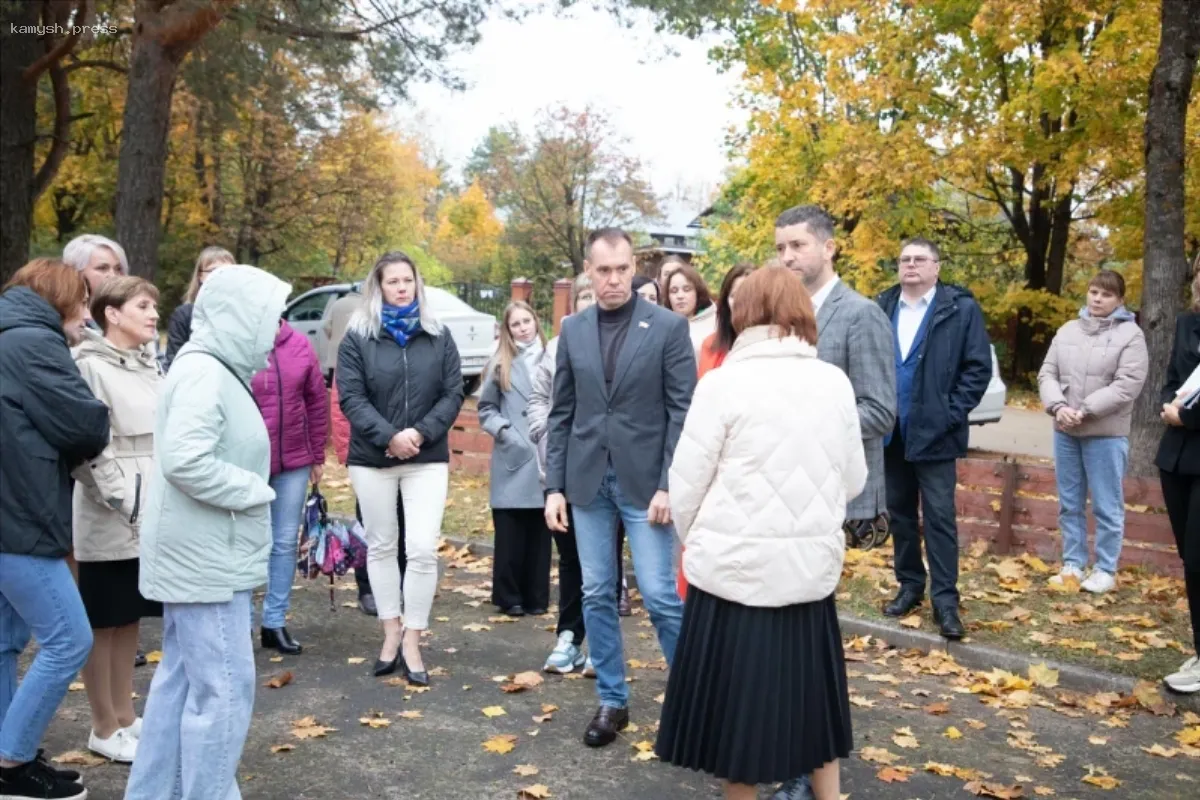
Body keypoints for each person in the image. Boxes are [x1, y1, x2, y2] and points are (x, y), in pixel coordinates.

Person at [656, 266, 864, 800]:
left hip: (734, 576)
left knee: (737, 726)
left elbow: (686, 487)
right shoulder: (834, 383)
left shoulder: (723, 384)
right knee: (813, 711)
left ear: (741, 314)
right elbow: (855, 480)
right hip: (808, 579)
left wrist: (700, 537)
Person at [123, 264, 288, 800]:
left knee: (181, 685)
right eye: (269, 319)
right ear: (243, 318)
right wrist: (257, 491)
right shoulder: (204, 372)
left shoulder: (211, 367)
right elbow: (187, 461)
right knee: (222, 693)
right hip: (205, 563)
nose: (276, 331)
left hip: (205, 556)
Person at [545, 227, 696, 747]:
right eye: (603, 270)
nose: (613, 279)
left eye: (622, 269)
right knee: (595, 592)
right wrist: (554, 487)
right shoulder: (574, 329)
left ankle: (690, 701)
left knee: (659, 595)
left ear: (634, 269)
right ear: (589, 271)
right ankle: (613, 701)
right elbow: (561, 412)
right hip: (588, 483)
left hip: (646, 486)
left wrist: (667, 486)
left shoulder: (669, 328)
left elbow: (683, 413)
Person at [0, 259, 110, 800]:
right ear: (62, 300)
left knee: (4, 643)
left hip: (10, 514)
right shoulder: (33, 344)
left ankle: (7, 755)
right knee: (70, 639)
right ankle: (12, 762)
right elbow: (84, 424)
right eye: (83, 304)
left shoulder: (7, 333)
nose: (86, 318)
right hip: (20, 517)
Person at [337, 251, 464, 685]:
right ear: (378, 287)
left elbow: (452, 393)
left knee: (423, 548)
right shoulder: (358, 337)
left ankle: (413, 636)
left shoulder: (438, 334)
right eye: (392, 281)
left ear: (417, 283)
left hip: (426, 458)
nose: (401, 287)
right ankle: (390, 631)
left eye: (407, 279)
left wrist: (419, 435)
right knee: (382, 546)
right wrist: (390, 435)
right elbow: (351, 398)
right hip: (373, 458)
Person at [877, 238, 992, 640]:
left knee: (940, 518)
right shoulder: (883, 305)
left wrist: (949, 412)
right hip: (893, 433)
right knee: (901, 514)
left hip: (937, 435)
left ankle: (946, 600)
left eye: (920, 259)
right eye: (905, 259)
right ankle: (910, 585)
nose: (911, 265)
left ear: (936, 267)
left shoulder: (959, 308)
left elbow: (977, 368)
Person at [72, 277, 165, 765]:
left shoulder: (150, 364)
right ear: (112, 313)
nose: (153, 314)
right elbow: (88, 446)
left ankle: (126, 716)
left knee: (130, 615)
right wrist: (122, 500)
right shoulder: (89, 366)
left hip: (150, 506)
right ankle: (102, 725)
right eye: (143, 306)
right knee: (101, 620)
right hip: (113, 511)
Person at [776, 205, 896, 564]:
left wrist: (805, 423)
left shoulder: (861, 314)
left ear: (829, 248)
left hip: (836, 488)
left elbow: (879, 412)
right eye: (780, 248)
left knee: (818, 603)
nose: (787, 257)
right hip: (783, 485)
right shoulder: (781, 313)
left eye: (798, 245)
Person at [1038, 270, 1148, 593]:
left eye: (1106, 294)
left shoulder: (1131, 335)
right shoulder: (1068, 330)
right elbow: (1047, 373)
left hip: (1106, 435)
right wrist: (1059, 407)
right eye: (1093, 291)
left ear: (1120, 300)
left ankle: (1105, 569)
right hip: (1065, 430)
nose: (1098, 298)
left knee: (1105, 503)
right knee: (1069, 502)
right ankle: (1073, 564)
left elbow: (1127, 385)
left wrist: (1085, 409)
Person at [325, 285, 407, 615]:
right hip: (367, 453)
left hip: (404, 451)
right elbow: (342, 404)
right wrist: (347, 452)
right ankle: (367, 586)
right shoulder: (355, 344)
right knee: (370, 523)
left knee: (401, 521)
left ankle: (397, 582)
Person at [530, 273, 596, 674]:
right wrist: (543, 431)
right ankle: (569, 636)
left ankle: (600, 645)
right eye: (583, 295)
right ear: (573, 303)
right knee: (570, 557)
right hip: (561, 467)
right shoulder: (556, 347)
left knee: (601, 563)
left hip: (604, 469)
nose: (590, 301)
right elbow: (539, 397)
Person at [250, 319, 329, 654]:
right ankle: (240, 621)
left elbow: (316, 400)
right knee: (249, 543)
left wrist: (317, 453)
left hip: (294, 460)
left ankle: (274, 622)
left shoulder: (298, 344)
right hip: (249, 462)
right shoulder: (238, 341)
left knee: (284, 541)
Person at [479, 302, 552, 617]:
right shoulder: (500, 363)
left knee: (540, 531)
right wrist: (505, 432)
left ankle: (537, 596)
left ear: (536, 322)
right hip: (515, 454)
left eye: (527, 321)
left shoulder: (554, 356)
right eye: (515, 324)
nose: (523, 328)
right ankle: (510, 596)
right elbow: (486, 409)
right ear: (508, 331)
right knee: (511, 533)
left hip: (547, 452)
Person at [1157, 268, 1200, 695]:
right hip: (1177, 458)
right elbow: (1171, 379)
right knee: (1192, 561)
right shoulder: (1188, 323)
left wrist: (1187, 417)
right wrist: (1168, 406)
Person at [164, 246, 234, 370]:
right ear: (200, 276)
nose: (220, 276)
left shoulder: (242, 314)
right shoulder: (184, 315)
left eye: (227, 271)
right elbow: (174, 361)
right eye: (213, 270)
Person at [697, 264, 754, 378]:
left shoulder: (773, 342)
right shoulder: (711, 344)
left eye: (746, 295)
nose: (739, 302)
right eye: (733, 296)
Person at [665, 263, 717, 357]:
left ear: (698, 292)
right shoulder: (661, 325)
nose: (680, 296)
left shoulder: (716, 322)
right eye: (674, 291)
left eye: (687, 289)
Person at [63, 234, 128, 296]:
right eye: (102, 268)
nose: (113, 276)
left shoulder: (132, 306)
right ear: (76, 271)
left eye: (118, 269)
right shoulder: (57, 306)